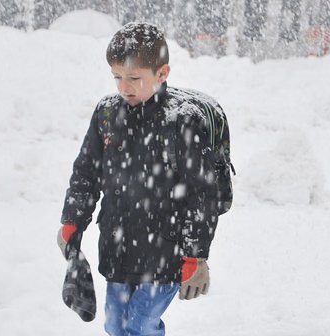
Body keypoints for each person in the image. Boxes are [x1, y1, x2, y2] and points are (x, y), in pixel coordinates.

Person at [57, 22, 229, 336]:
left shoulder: (183, 119)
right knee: (115, 325)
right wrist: (73, 220)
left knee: (141, 325)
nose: (124, 87)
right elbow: (86, 172)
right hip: (118, 243)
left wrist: (195, 254)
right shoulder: (108, 113)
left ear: (162, 73)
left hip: (166, 248)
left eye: (135, 78)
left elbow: (201, 193)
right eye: (117, 77)